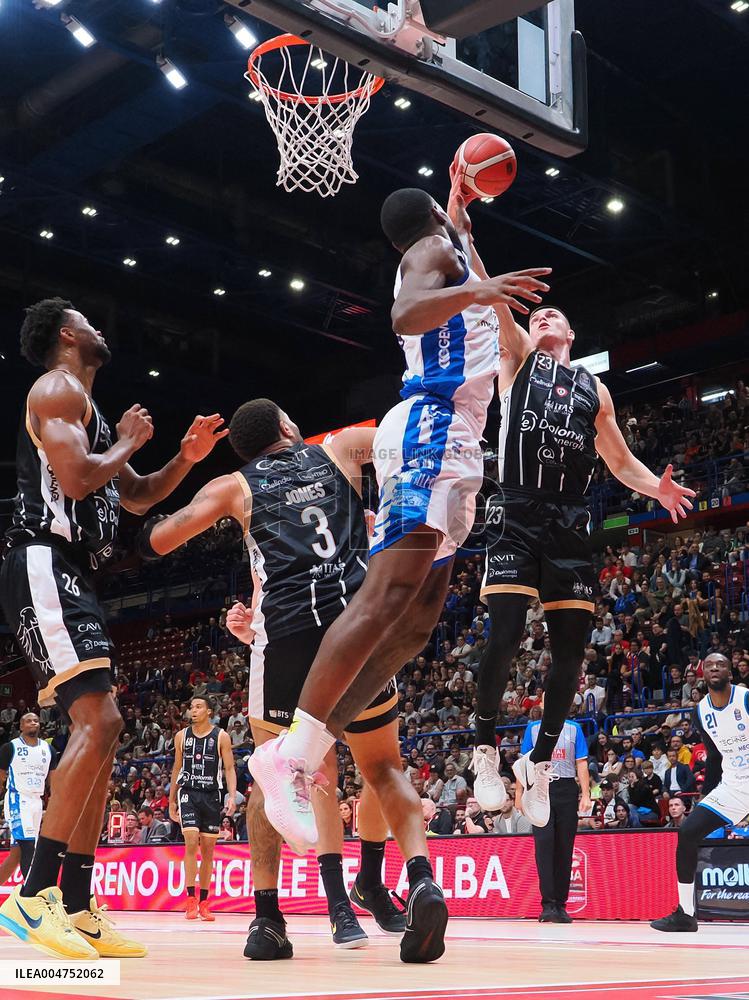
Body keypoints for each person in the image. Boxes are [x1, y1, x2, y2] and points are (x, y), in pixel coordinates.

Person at [242, 179, 551, 965]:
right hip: (428, 426)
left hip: (461, 440)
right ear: (432, 228)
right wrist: (475, 270)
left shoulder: (451, 244)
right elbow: (403, 316)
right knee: (382, 600)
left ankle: (311, 742)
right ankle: (292, 756)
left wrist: (463, 206)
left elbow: (474, 306)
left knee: (415, 627)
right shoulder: (430, 250)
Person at [143, 403, 412, 957]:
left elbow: (160, 539)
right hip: (353, 629)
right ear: (290, 426)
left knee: (290, 777)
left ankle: (270, 917)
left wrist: (186, 464)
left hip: (290, 640)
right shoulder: (335, 450)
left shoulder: (233, 486)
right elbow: (402, 434)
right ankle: (348, 894)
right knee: (376, 767)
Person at [0, 298, 225, 960]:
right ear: (68, 334)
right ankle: (33, 895)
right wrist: (128, 438)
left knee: (110, 725)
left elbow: (138, 493)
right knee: (97, 723)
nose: (100, 325)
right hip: (42, 560)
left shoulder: (87, 410)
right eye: (87, 319)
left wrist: (184, 458)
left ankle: (76, 902)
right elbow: (73, 478)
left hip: (72, 571)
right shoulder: (56, 388)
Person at [469, 298, 695, 823]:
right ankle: (485, 751)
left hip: (569, 521)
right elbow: (490, 293)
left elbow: (619, 460)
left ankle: (540, 764)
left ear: (572, 332)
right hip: (516, 508)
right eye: (534, 317)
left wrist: (655, 491)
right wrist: (462, 229)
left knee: (570, 651)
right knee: (503, 632)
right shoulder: (520, 358)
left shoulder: (596, 390)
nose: (540, 318)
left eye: (552, 316)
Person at [652, 654, 749, 932]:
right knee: (688, 831)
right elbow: (716, 757)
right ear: (702, 674)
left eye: (721, 665)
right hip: (733, 787)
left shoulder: (745, 699)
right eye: (709, 665)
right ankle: (686, 914)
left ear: (730, 672)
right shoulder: (701, 711)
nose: (715, 668)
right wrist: (707, 796)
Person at [518, 704, 591, 922]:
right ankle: (548, 904)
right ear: (541, 704)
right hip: (539, 789)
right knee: (544, 845)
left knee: (564, 847)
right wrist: (519, 793)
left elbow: (582, 763)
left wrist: (585, 794)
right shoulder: (532, 728)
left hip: (566, 788)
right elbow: (523, 764)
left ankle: (560, 904)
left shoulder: (574, 728)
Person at [169, 695, 236, 922]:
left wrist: (231, 796)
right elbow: (177, 768)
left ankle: (205, 901)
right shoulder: (181, 736)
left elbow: (228, 768)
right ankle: (190, 899)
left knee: (208, 850)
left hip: (211, 795)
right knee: (191, 841)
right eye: (191, 706)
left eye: (198, 707)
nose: (193, 710)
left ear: (209, 712)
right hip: (188, 792)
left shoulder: (221, 736)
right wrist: (171, 801)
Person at [0, 713, 57, 887]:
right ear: (21, 726)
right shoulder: (10, 747)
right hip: (18, 798)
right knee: (29, 846)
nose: (33, 723)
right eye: (28, 721)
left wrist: (55, 799)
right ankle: (31, 892)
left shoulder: (49, 750)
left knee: (17, 855)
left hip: (36, 801)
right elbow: (1, 775)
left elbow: (53, 778)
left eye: (36, 721)